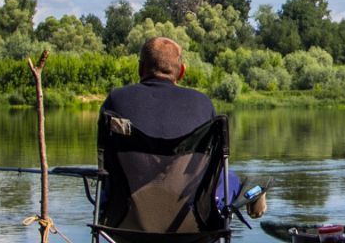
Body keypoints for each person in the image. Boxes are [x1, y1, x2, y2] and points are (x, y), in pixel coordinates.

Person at [99, 36, 265, 219]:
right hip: (193, 222)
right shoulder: (202, 103)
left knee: (111, 180)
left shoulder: (117, 99)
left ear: (140, 68)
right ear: (182, 72)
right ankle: (254, 189)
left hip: (124, 220)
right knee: (227, 176)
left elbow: (106, 160)